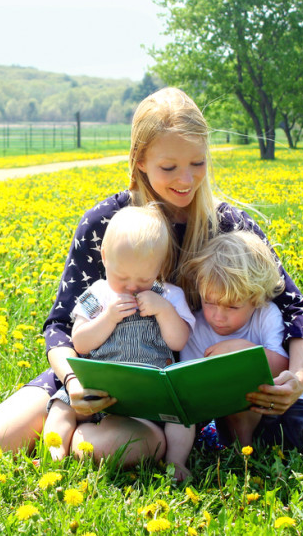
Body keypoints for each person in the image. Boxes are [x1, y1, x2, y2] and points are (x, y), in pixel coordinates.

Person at [0, 87, 303, 469]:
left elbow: (295, 308)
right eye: (169, 166)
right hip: (97, 372)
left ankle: (37, 425)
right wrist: (72, 380)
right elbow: (61, 325)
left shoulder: (227, 225)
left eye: (198, 163)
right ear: (139, 161)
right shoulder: (105, 223)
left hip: (179, 390)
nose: (186, 180)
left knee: (124, 448)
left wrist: (298, 375)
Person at [41, 205, 196, 479]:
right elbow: (81, 342)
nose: (132, 287)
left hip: (149, 394)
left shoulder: (169, 296)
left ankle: (176, 461)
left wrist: (163, 311)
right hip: (98, 390)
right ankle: (56, 450)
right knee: (62, 406)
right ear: (104, 258)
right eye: (122, 277)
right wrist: (108, 317)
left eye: (144, 279)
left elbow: (179, 340)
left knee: (182, 415)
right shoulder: (96, 294)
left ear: (159, 268)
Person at [179, 231, 303, 460]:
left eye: (232, 307)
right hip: (235, 412)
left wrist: (243, 351)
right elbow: (187, 384)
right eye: (210, 302)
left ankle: (272, 440)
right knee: (237, 386)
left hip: (290, 404)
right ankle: (243, 452)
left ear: (256, 299)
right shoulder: (196, 327)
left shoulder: (266, 315)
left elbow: (282, 367)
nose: (218, 316)